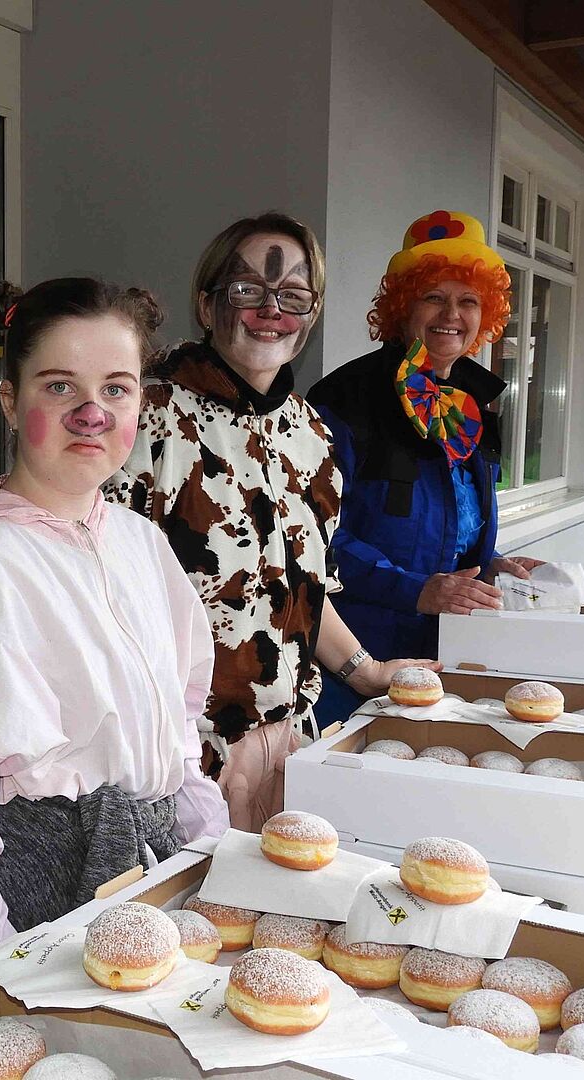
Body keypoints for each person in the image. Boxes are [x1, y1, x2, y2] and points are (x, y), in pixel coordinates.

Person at [0, 277, 229, 995]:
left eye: (117, 389)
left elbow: (177, 728)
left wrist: (206, 850)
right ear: (10, 401)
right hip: (33, 899)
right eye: (60, 387)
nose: (93, 414)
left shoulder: (141, 543)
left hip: (146, 875)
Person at [107, 213, 436, 831]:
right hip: (180, 764)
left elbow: (304, 591)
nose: (270, 310)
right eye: (247, 290)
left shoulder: (311, 436)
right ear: (206, 304)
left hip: (290, 747)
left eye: (292, 295)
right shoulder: (145, 422)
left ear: (312, 314)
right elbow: (102, 603)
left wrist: (366, 671)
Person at [307, 209, 543, 728]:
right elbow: (312, 541)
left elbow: (452, 517)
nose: (451, 314)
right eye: (433, 296)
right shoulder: (342, 400)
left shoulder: (475, 402)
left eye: (469, 300)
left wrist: (489, 562)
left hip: (449, 645)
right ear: (403, 307)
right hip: (352, 654)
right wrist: (415, 588)